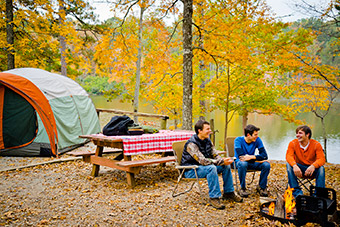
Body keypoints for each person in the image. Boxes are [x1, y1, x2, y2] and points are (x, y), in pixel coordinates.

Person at [181, 120, 243, 209]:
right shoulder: (191, 144)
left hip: (203, 167)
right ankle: (214, 197)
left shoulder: (207, 140)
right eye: (207, 129)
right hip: (190, 170)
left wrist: (223, 160)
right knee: (211, 168)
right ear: (199, 131)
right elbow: (202, 161)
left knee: (225, 166)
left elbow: (215, 154)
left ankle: (229, 192)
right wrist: (221, 161)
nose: (210, 131)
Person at [286, 125, 326, 198]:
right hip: (299, 169)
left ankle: (319, 194)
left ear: (307, 134)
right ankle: (297, 193)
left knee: (321, 168)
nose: (297, 135)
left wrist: (313, 166)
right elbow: (289, 156)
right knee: (289, 165)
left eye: (300, 133)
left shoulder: (316, 144)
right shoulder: (293, 143)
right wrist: (295, 166)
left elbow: (322, 159)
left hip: (312, 170)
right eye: (297, 133)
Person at [234, 124, 270, 197]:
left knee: (266, 165)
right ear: (248, 135)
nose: (257, 136)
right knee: (243, 164)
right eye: (255, 135)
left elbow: (265, 155)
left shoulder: (257, 140)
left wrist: (252, 157)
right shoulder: (238, 140)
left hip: (251, 163)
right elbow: (242, 158)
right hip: (240, 164)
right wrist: (258, 160)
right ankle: (242, 188)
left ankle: (262, 187)